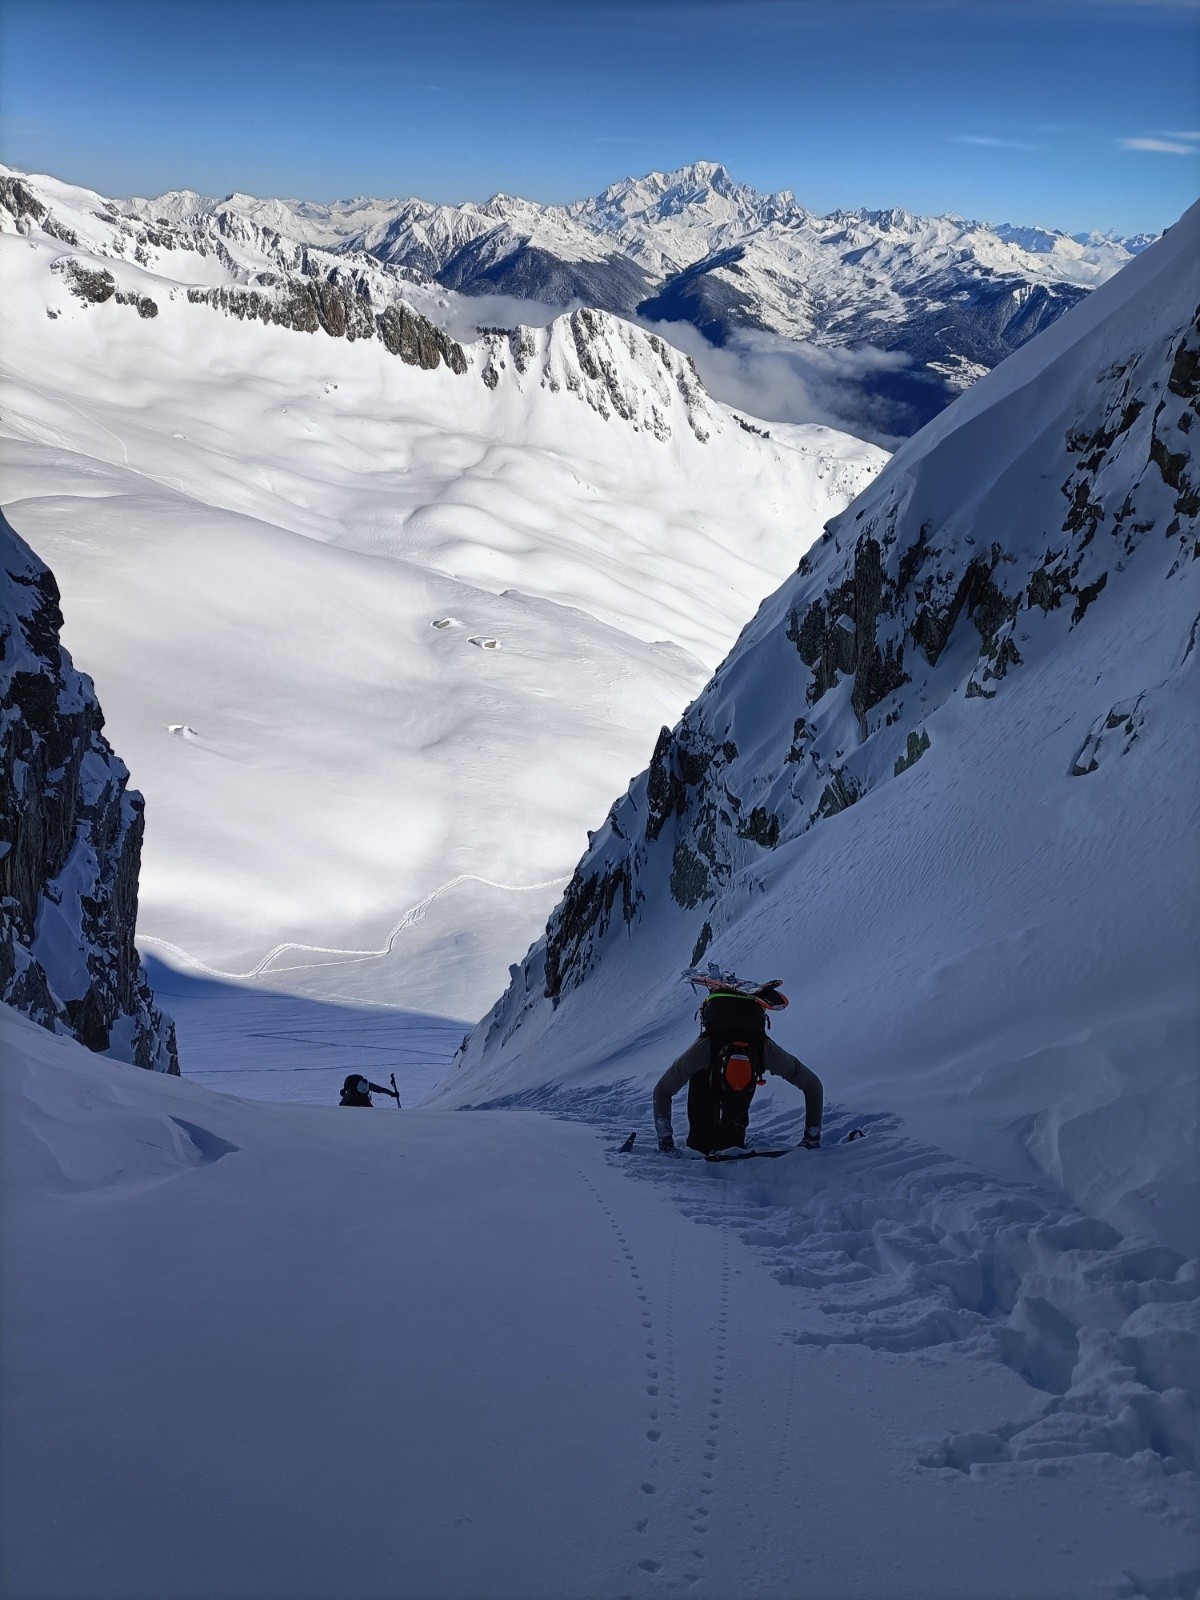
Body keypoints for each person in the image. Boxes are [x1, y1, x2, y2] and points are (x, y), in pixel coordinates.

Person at [653, 984, 822, 1154]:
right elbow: (812, 1085)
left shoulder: (704, 1050)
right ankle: (716, 1137)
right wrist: (812, 1137)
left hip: (716, 1068)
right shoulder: (763, 1049)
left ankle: (707, 1140)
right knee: (726, 1141)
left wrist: (665, 1139)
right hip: (726, 1073)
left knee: (711, 1144)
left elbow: (663, 1091)